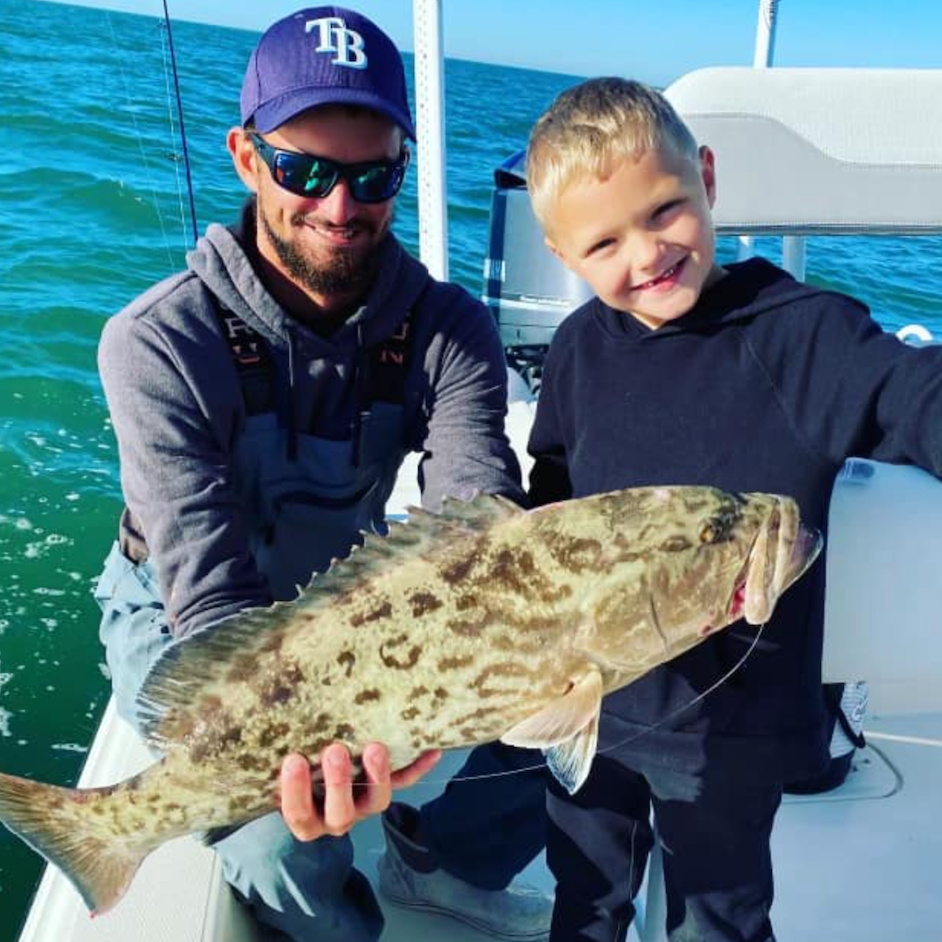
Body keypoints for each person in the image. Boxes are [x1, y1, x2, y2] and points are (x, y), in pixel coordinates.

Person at [94, 7, 549, 941]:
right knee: (281, 843)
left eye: (372, 175)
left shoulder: (451, 330)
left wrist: (484, 679)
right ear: (246, 155)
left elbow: (481, 523)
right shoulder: (154, 341)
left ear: (403, 168)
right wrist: (294, 750)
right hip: (184, 615)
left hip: (349, 607)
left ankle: (444, 863)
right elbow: (209, 595)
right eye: (304, 170)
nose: (340, 208)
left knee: (545, 705)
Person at [523, 76, 942, 942]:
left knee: (718, 917)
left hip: (732, 726)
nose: (645, 256)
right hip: (590, 704)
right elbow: (552, 492)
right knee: (584, 895)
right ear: (564, 258)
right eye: (604, 244)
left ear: (707, 178)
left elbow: (915, 397)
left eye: (666, 210)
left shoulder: (806, 335)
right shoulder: (574, 350)